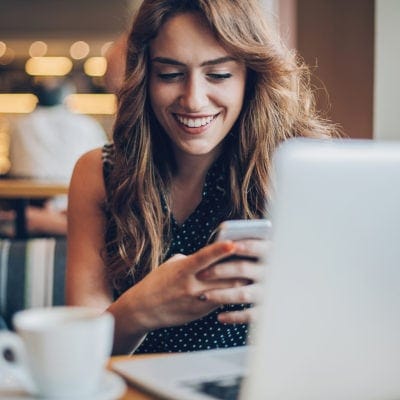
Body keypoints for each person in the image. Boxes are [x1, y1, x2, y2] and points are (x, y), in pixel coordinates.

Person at [66, 0, 339, 355]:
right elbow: (78, 355)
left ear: (250, 77)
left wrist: (301, 298)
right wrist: (139, 310)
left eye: (219, 74)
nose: (194, 100)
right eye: (170, 74)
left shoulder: (299, 168)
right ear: (144, 78)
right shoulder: (100, 173)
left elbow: (343, 335)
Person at [4, 77, 107, 237]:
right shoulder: (87, 124)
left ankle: (43, 221)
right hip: (77, 204)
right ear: (66, 98)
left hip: (31, 209)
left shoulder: (19, 124)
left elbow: (12, 163)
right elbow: (105, 163)